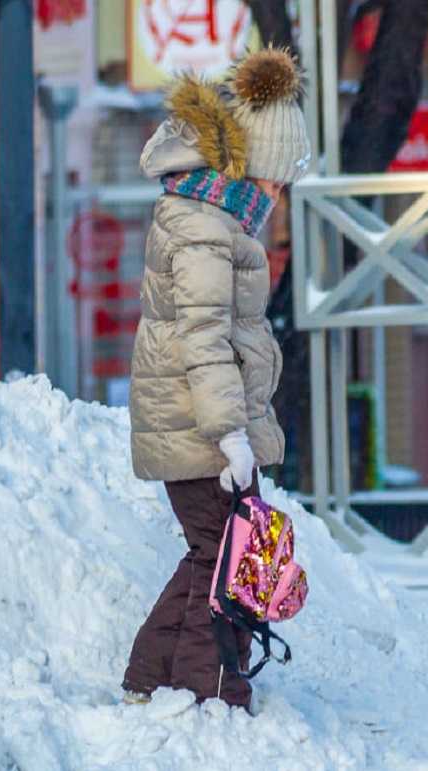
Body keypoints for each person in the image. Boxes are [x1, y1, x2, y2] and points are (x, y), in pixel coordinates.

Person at [121, 47, 311, 711]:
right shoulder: (204, 229)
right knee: (224, 556)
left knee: (216, 549)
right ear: (250, 169)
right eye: (275, 177)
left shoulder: (212, 220)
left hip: (201, 424)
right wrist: (230, 434)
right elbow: (203, 341)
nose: (278, 193)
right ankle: (210, 692)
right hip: (202, 428)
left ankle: (152, 678)